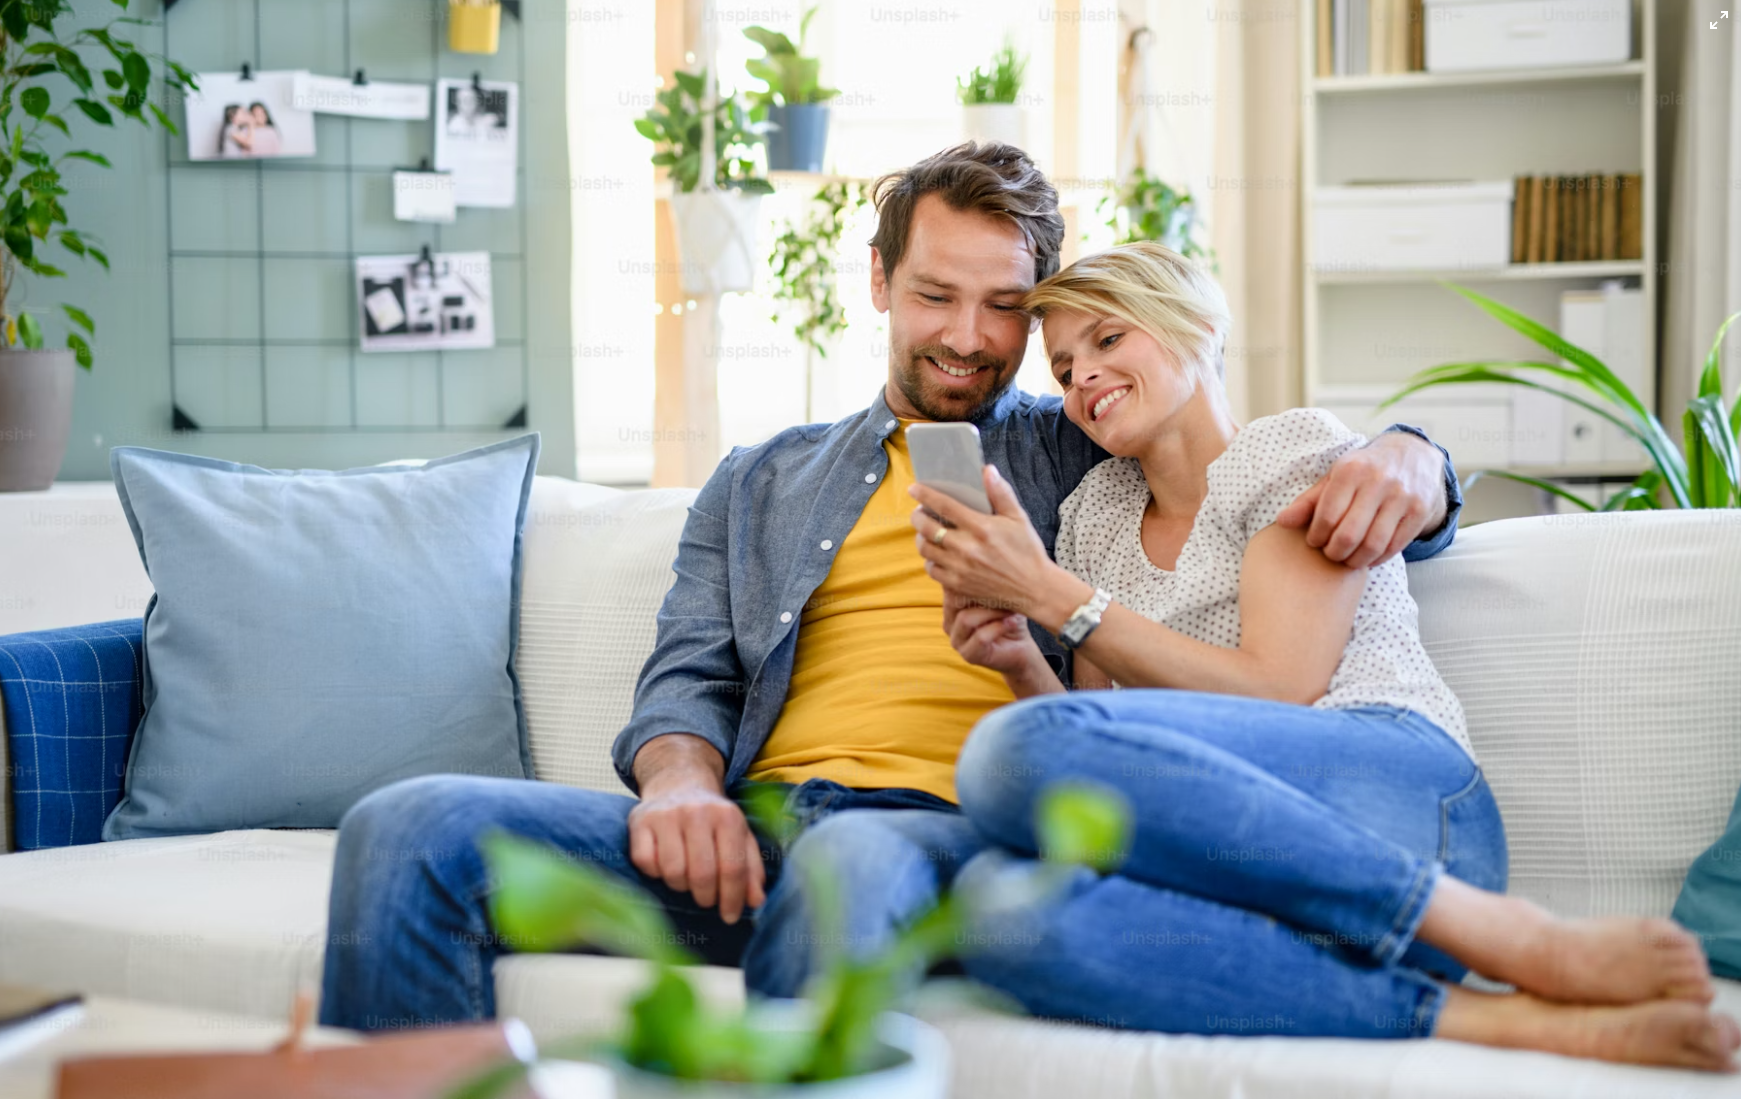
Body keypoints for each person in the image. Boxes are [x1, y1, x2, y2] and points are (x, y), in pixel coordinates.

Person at [318, 143, 1461, 1031]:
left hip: (942, 834)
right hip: (756, 827)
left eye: (1005, 309)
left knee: (847, 866)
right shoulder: (762, 478)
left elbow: (1252, 481)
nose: (968, 338)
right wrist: (677, 786)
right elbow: (686, 676)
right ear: (877, 279)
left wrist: (1416, 455)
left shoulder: (1081, 448)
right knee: (410, 825)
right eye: (934, 295)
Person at [907, 241, 1739, 1071]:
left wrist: (1047, 593)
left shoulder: (1289, 452)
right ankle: (1509, 1021)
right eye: (1062, 366)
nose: (1082, 375)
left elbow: (1280, 685)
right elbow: (1102, 738)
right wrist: (1020, 652)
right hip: (1258, 875)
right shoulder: (1092, 515)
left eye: (1109, 340)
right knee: (998, 909)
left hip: (1398, 801)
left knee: (1006, 754)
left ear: (1194, 326)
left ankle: (1506, 932)